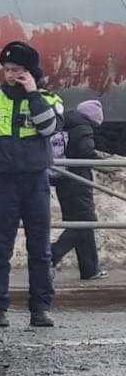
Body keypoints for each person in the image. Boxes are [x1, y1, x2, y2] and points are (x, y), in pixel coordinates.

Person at [0, 40, 65, 328]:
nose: (10, 75)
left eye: (16, 69)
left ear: (29, 71)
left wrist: (32, 93)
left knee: (40, 249)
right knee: (0, 247)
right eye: (6, 69)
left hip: (35, 181)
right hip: (4, 182)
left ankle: (41, 308)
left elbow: (49, 128)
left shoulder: (48, 99)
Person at [51, 98, 109, 282]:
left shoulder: (66, 123)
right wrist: (100, 159)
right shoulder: (83, 127)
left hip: (64, 180)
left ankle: (89, 269)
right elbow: (85, 151)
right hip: (77, 181)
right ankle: (51, 254)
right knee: (84, 222)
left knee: (82, 223)